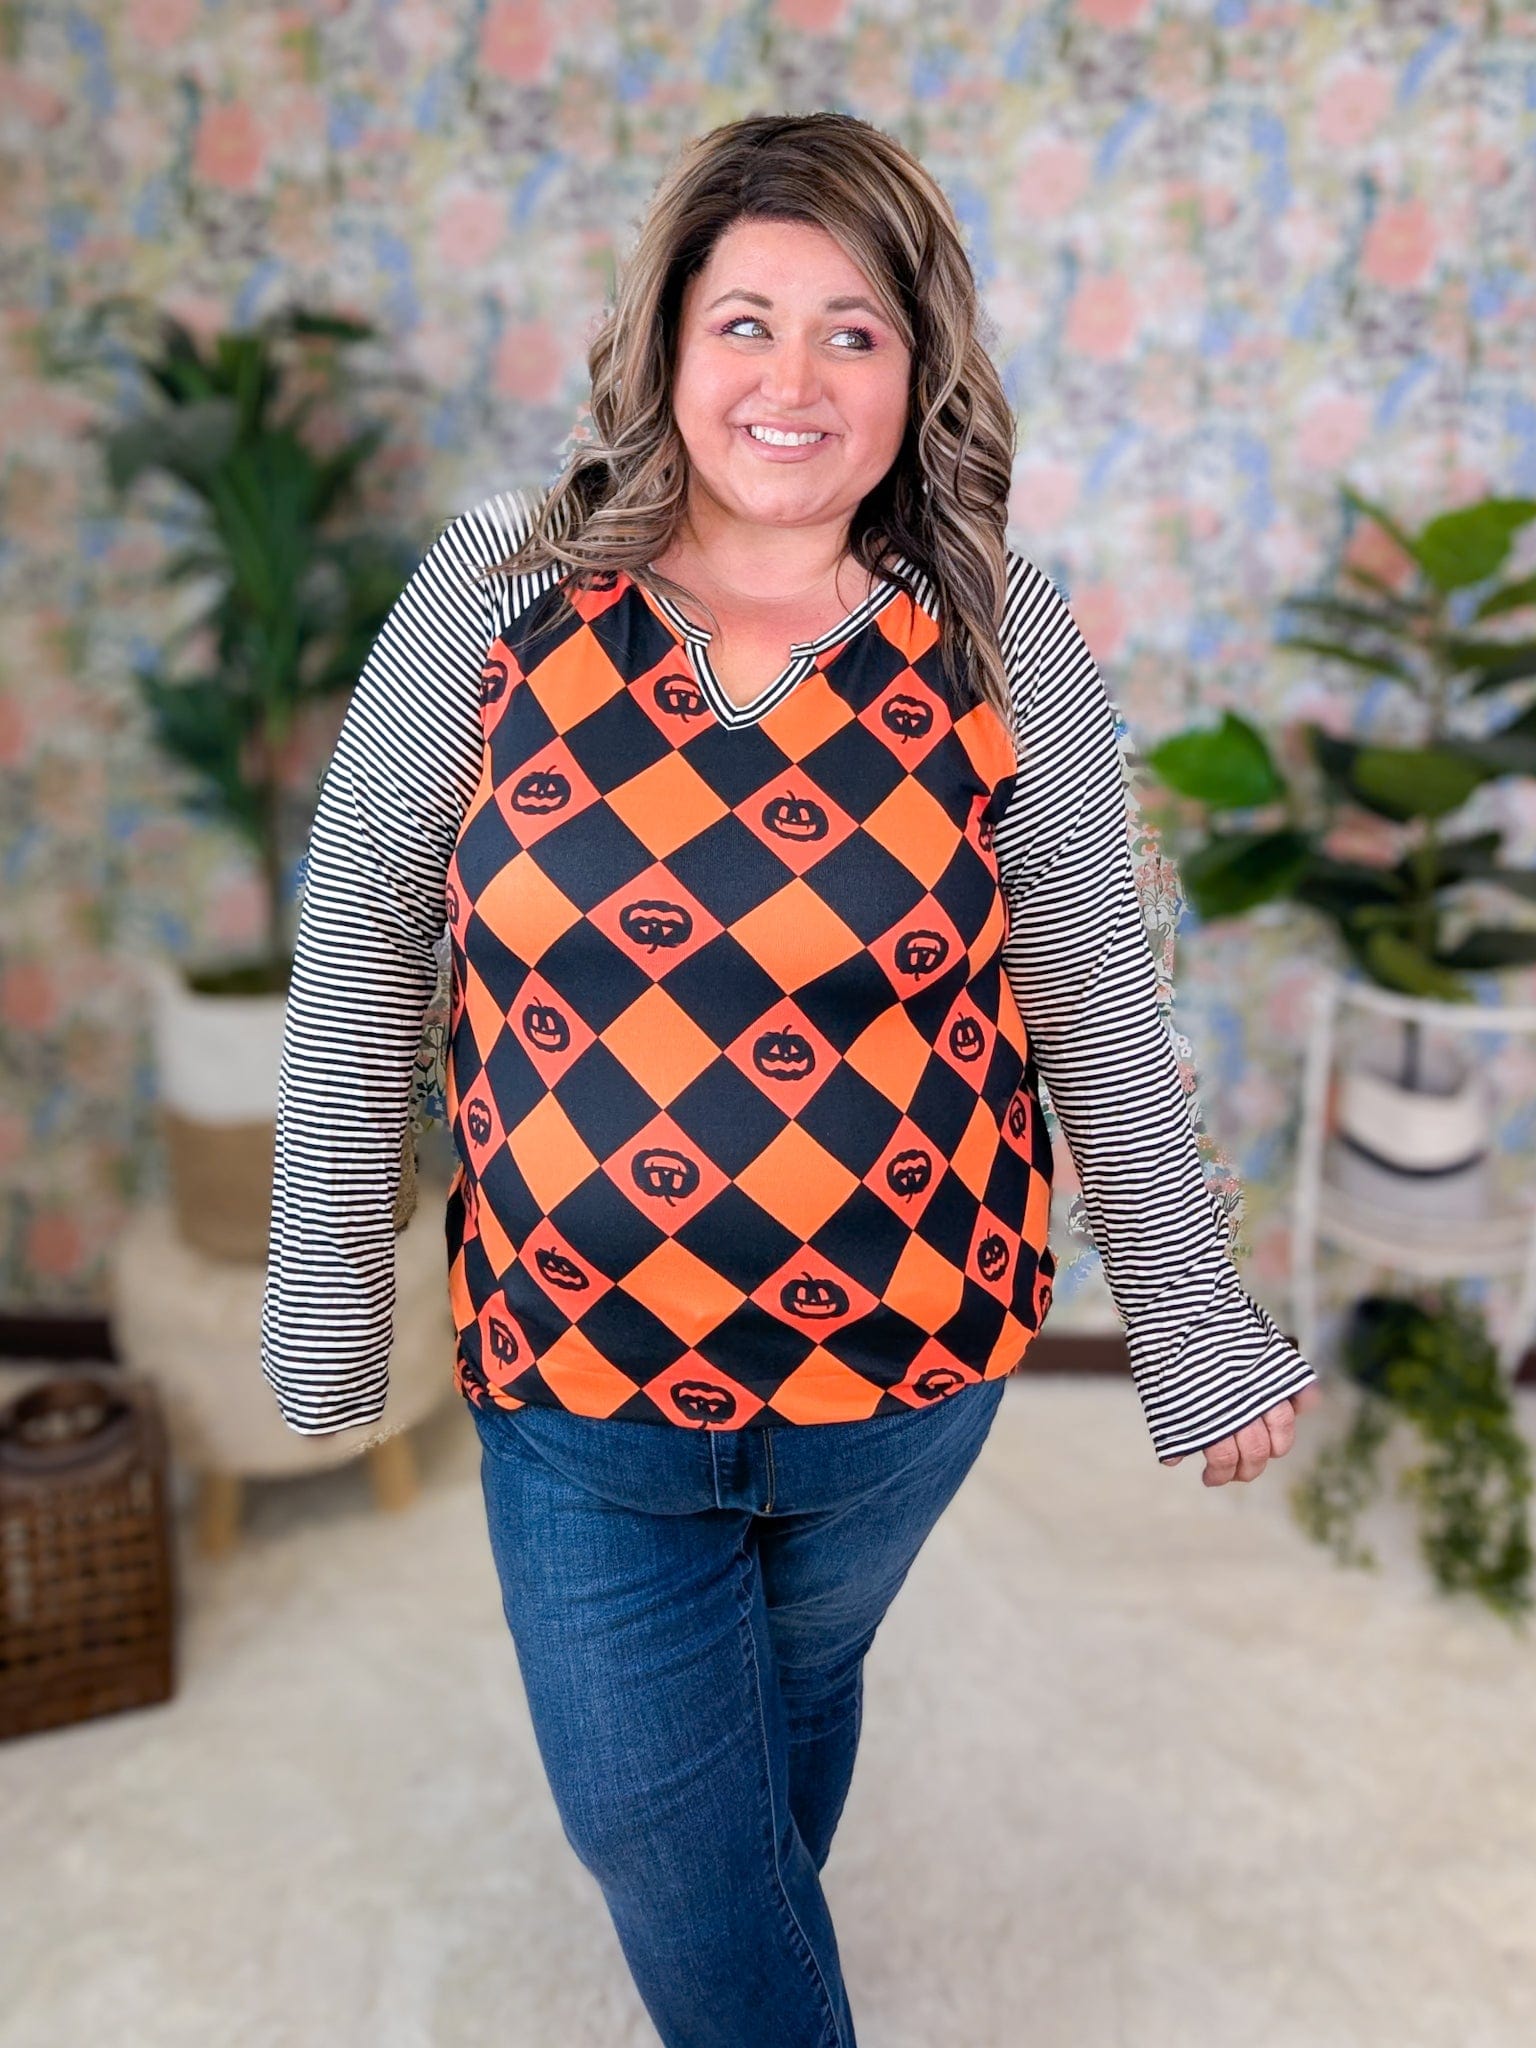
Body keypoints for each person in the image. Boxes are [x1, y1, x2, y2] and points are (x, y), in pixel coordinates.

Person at [261, 110, 1321, 2048]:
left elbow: (1093, 989)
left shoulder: (999, 634)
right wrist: (329, 1278)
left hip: (907, 1376)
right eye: (746, 320)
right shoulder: (497, 589)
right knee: (656, 1826)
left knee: (774, 1733)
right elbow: (363, 923)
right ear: (665, 339)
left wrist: (1191, 1321)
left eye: (854, 331)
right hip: (577, 1370)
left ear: (921, 370)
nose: (795, 379)